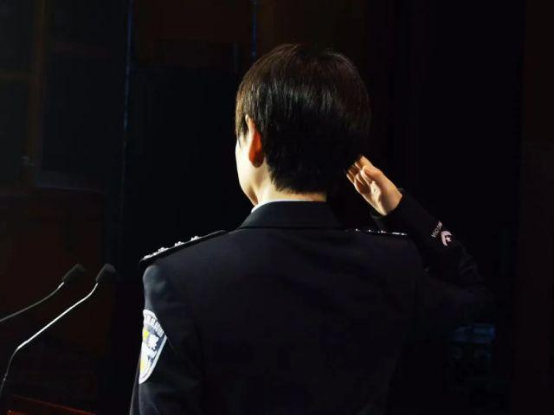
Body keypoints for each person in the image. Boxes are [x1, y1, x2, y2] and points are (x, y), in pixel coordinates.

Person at [130, 44, 490, 414]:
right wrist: (398, 208)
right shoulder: (392, 265)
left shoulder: (178, 278)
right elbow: (471, 292)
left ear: (254, 138)